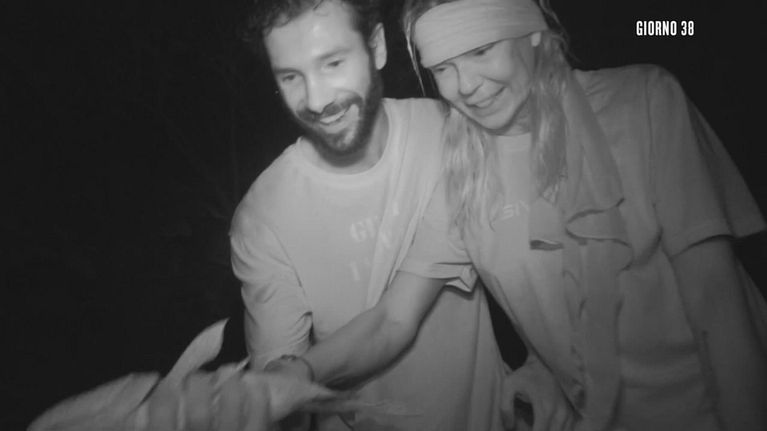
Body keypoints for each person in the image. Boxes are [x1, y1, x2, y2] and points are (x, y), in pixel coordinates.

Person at [284, 0, 767, 430]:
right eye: (444, 67)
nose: (466, 86)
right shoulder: (462, 174)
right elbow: (392, 319)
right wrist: (295, 373)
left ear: (530, 30)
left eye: (481, 50)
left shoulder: (642, 101)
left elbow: (715, 300)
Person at [229, 0, 510, 430]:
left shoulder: (451, 130)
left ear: (376, 46)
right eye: (291, 77)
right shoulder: (262, 217)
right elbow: (282, 395)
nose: (317, 100)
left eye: (333, 63)